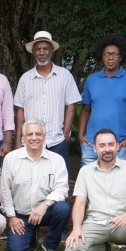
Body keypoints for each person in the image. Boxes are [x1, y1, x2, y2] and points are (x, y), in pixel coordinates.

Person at [0, 119, 70, 251]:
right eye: (30, 134)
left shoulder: (56, 160)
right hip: (21, 215)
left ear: (44, 136)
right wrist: (12, 217)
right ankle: (31, 238)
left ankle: (50, 244)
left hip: (46, 211)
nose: (34, 138)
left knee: (63, 208)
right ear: (23, 137)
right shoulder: (11, 159)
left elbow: (62, 189)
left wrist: (45, 204)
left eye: (38, 134)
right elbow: (5, 190)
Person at [13, 31, 81, 169]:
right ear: (33, 52)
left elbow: (71, 106)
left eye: (45, 48)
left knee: (59, 182)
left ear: (51, 50)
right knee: (30, 181)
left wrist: (65, 134)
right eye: (38, 49)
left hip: (56, 140)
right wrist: (18, 140)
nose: (42, 52)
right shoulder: (25, 79)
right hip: (30, 142)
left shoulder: (64, 75)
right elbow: (20, 110)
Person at [78, 35, 126, 166]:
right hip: (91, 144)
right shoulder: (91, 80)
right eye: (106, 54)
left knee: (118, 184)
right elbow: (85, 110)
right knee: (90, 183)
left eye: (114, 54)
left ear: (121, 57)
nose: (110, 57)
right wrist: (80, 135)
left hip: (120, 144)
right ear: (102, 57)